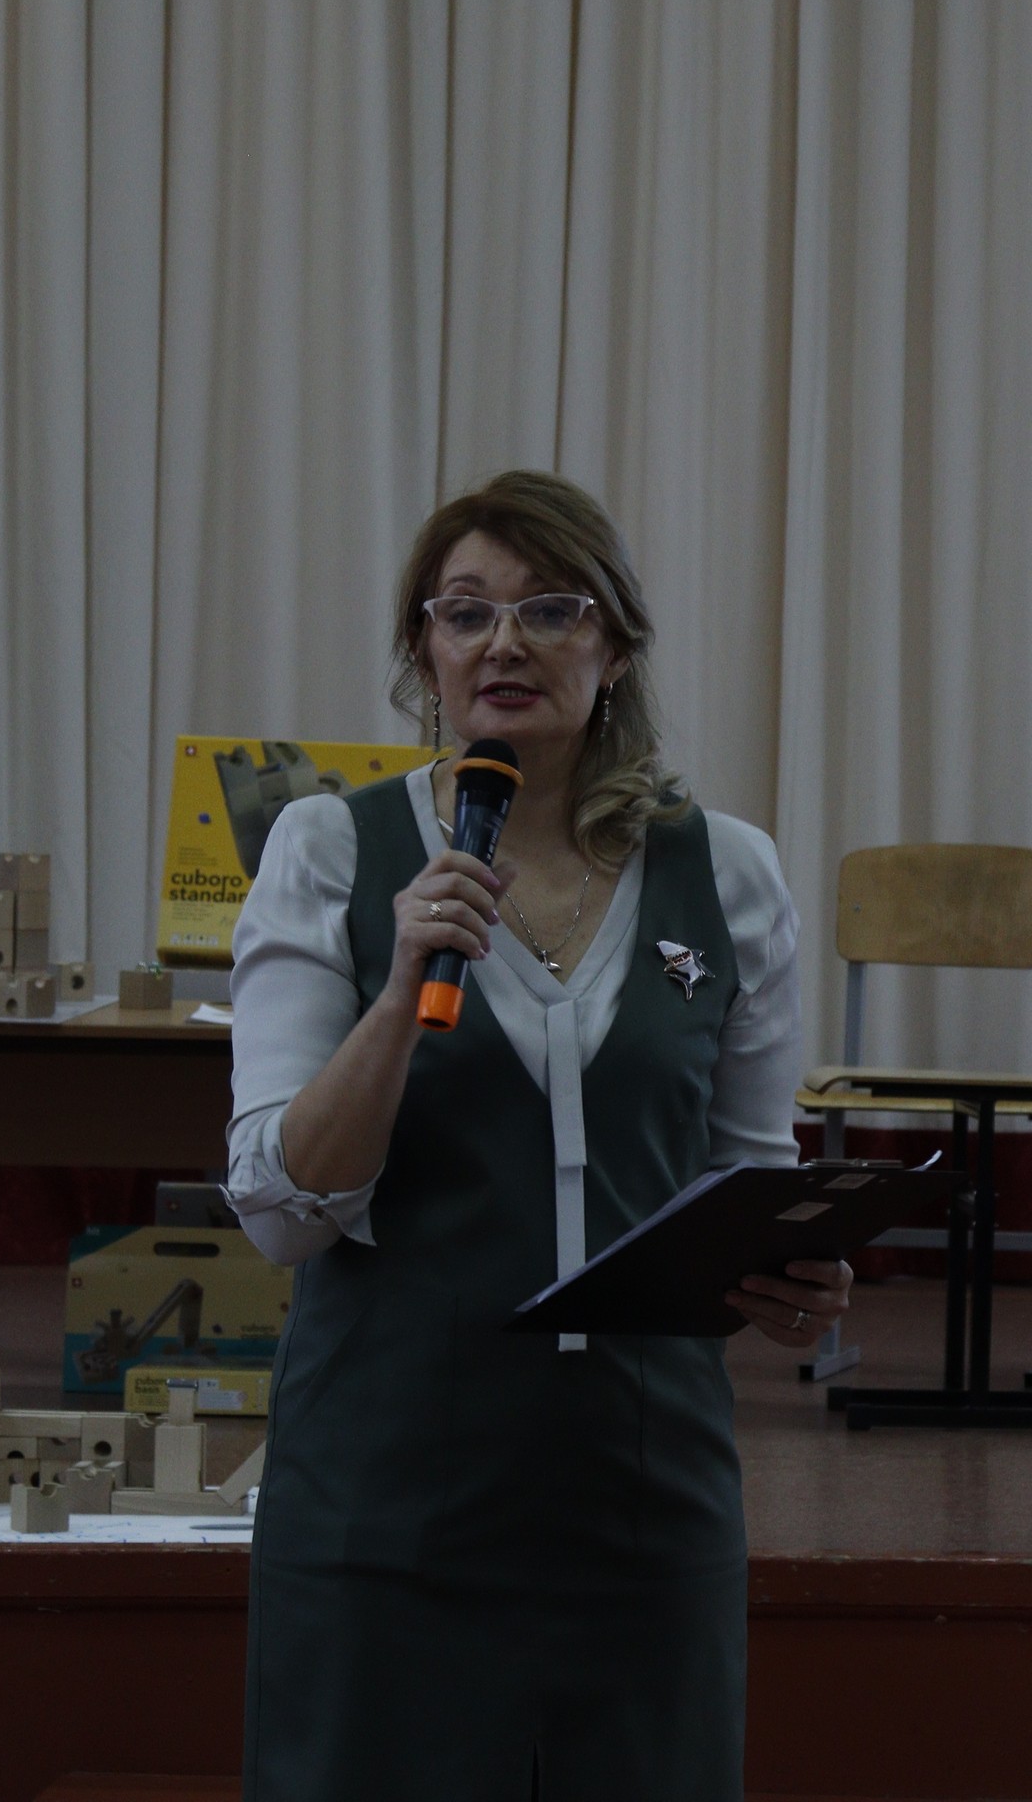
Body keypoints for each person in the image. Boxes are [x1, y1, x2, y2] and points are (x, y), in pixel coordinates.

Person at [225, 468, 849, 1799]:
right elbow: (279, 1212)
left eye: (550, 610)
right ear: (425, 656)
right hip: (386, 1496)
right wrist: (401, 991)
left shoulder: (727, 871)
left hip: (641, 1495)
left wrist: (792, 1279)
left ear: (612, 646)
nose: (504, 643)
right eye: (466, 613)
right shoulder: (331, 853)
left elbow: (749, 1177)